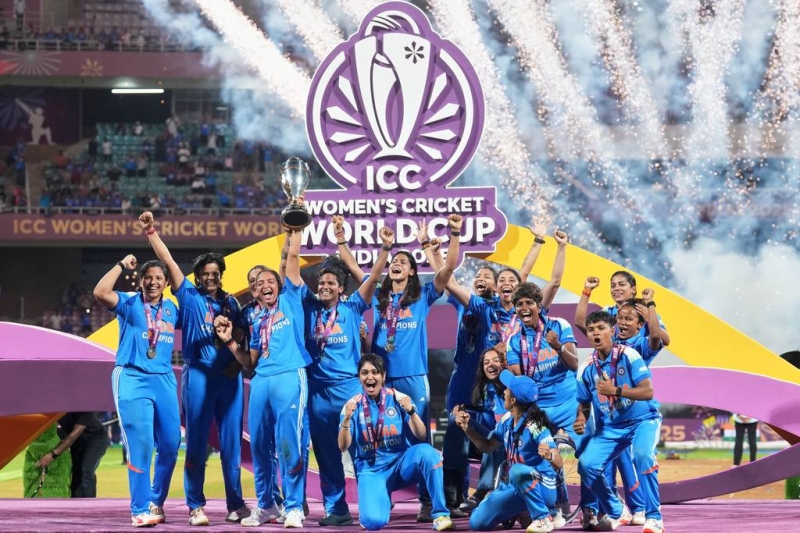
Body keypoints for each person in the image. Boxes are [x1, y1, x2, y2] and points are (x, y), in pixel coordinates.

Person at [437, 224, 567, 514]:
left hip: (516, 388)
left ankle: (540, 495)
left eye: (512, 281)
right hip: (491, 388)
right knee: (480, 430)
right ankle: (471, 493)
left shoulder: (525, 312)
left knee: (520, 434)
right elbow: (451, 283)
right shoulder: (486, 309)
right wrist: (434, 252)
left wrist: (540, 241)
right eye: (502, 280)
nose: (508, 283)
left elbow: (542, 278)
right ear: (496, 289)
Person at [140, 212, 250, 526]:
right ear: (198, 276)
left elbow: (241, 335)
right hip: (198, 376)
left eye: (215, 273)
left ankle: (235, 505)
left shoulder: (232, 304)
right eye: (205, 273)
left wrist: (235, 362)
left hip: (228, 379)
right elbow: (168, 260)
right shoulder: (188, 295)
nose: (210, 277)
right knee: (197, 444)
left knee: (231, 446)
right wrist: (151, 232)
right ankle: (195, 506)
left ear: (221, 275)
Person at [215, 227, 311, 528]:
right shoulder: (256, 320)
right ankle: (267, 504)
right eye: (258, 284)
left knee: (289, 443)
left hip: (290, 375)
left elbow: (291, 259)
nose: (265, 285)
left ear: (279, 285)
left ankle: (294, 507)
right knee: (258, 445)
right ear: (254, 292)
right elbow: (249, 362)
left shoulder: (291, 299)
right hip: (260, 381)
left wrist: (295, 231)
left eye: (270, 281)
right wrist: (230, 342)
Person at [301, 227, 394, 525]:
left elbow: (373, 279)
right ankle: (337, 510)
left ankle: (374, 502)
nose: (325, 286)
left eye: (331, 282)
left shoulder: (353, 307)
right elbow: (290, 276)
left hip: (348, 390)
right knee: (326, 453)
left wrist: (385, 249)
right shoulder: (309, 307)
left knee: (361, 449)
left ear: (342, 288)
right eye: (321, 282)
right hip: (317, 391)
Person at [92, 254, 180, 526]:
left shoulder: (172, 308)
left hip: (164, 378)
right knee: (141, 445)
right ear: (140, 280)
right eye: (148, 277)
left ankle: (155, 501)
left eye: (159, 278)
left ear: (166, 283)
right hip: (132, 376)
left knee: (171, 445)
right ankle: (139, 510)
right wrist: (120, 265)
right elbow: (100, 292)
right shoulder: (129, 302)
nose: (153, 282)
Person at [338, 354, 455, 532]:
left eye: (375, 372)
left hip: (401, 464)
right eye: (365, 373)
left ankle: (440, 515)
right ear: (359, 377)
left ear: (383, 376)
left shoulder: (398, 398)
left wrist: (411, 411)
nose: (370, 377)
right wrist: (347, 418)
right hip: (371, 470)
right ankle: (382, 499)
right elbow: (343, 446)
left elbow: (421, 434)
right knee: (373, 522)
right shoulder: (352, 406)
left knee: (429, 454)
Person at [574, 311, 664, 533]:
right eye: (591, 330)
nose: (596, 333)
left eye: (601, 328)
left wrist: (615, 390)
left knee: (643, 456)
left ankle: (654, 517)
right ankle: (617, 510)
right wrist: (581, 417)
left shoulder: (629, 355)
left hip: (643, 420)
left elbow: (648, 391)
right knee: (586, 465)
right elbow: (583, 403)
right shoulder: (586, 368)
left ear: (612, 331)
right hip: (612, 428)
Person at [454, 370, 562, 533]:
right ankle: (522, 510)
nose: (504, 391)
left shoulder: (536, 426)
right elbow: (488, 446)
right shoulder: (506, 420)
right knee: (477, 522)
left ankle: (543, 517)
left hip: (543, 486)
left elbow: (559, 462)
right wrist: (467, 428)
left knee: (517, 470)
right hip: (515, 485)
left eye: (507, 389)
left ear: (513, 400)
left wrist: (550, 455)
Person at [35, 412, 108, 499]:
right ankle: (75, 504)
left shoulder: (86, 408)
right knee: (75, 476)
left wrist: (53, 455)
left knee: (86, 471)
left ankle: (89, 505)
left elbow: (74, 435)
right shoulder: (59, 409)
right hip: (75, 443)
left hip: (95, 439)